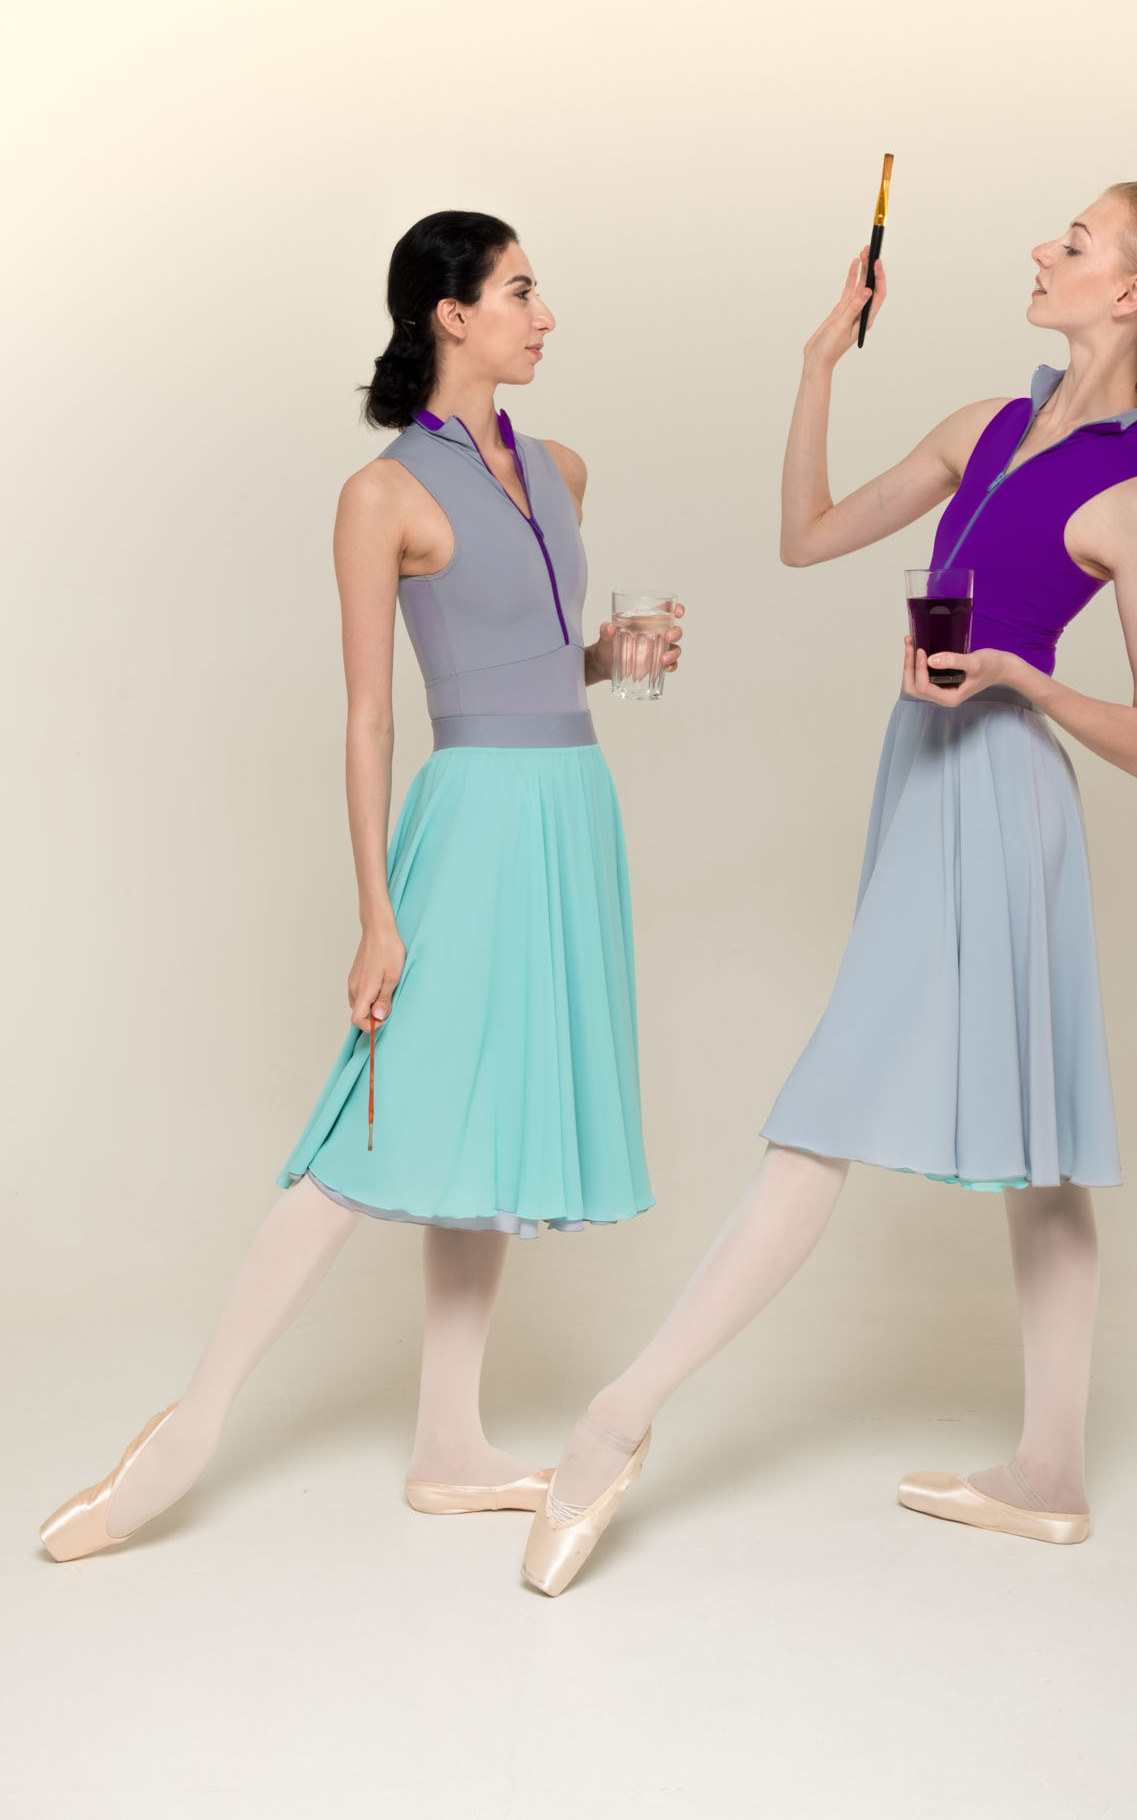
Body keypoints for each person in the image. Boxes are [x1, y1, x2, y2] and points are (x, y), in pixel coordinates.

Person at [522, 180, 1137, 1597]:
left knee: (859, 1114)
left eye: (1075, 241)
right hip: (920, 777)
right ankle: (1050, 1477)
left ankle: (618, 1419)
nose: (1042, 249)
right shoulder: (986, 428)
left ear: (1133, 291)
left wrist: (1021, 674)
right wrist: (816, 364)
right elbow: (809, 534)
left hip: (1002, 795)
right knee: (1032, 1145)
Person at [39, 209, 683, 1561]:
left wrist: (609, 657)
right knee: (371, 1127)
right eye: (520, 291)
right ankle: (192, 1427)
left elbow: (535, 658)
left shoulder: (562, 468)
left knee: (486, 1130)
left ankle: (450, 1443)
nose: (543, 315)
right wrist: (377, 913)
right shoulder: (381, 495)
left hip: (572, 810)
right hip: (474, 821)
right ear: (451, 313)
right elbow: (372, 717)